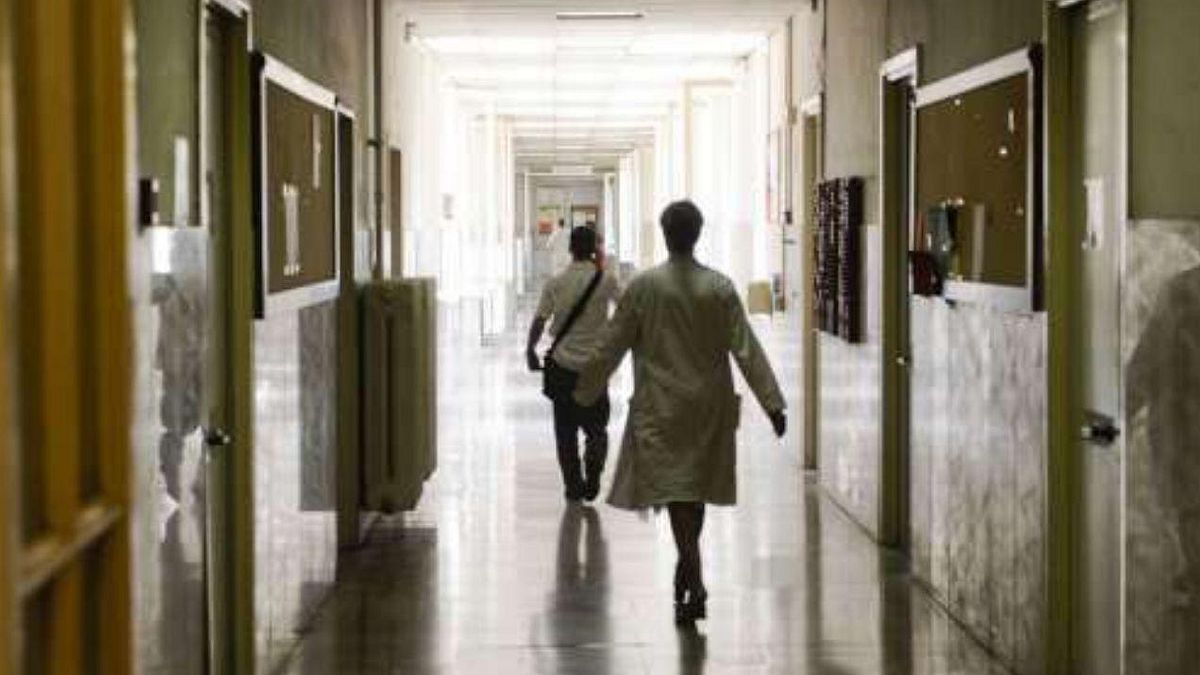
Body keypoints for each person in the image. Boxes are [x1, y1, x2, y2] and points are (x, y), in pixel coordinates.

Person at [574, 200, 787, 624]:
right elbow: (746, 348)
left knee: (678, 491)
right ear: (698, 234)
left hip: (661, 407)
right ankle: (688, 568)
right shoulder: (719, 288)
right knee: (693, 490)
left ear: (665, 234)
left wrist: (585, 391)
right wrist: (772, 403)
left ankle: (695, 574)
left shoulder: (644, 288)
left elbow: (612, 343)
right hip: (708, 408)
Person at [526, 226, 621, 502]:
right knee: (596, 429)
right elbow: (627, 309)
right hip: (594, 369)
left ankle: (573, 486)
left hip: (563, 367)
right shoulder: (607, 280)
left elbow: (540, 319)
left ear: (570, 249)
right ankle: (593, 477)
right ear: (594, 249)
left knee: (565, 431)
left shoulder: (556, 283)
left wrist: (530, 349)